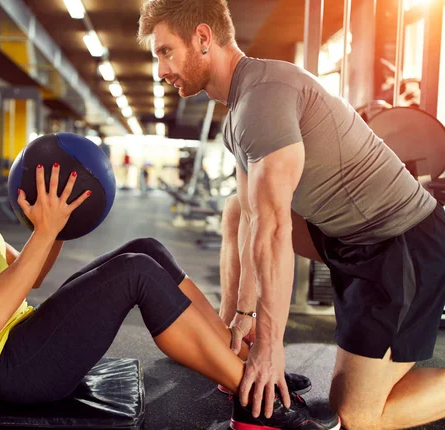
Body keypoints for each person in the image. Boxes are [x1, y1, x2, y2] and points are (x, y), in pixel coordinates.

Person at [0, 100, 328, 428]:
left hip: (27, 336)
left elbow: (32, 274)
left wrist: (58, 226)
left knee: (144, 248)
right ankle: (254, 400)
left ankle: (240, 359)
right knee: (135, 273)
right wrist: (44, 231)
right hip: (13, 369)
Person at [138, 0, 445, 429]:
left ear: (203, 38)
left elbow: (275, 228)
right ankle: (234, 347)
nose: (160, 70)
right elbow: (249, 218)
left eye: (165, 51)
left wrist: (271, 345)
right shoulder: (239, 109)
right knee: (235, 211)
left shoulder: (262, 97)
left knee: (355, 417)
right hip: (343, 238)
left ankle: (259, 351)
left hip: (400, 246)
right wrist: (244, 316)